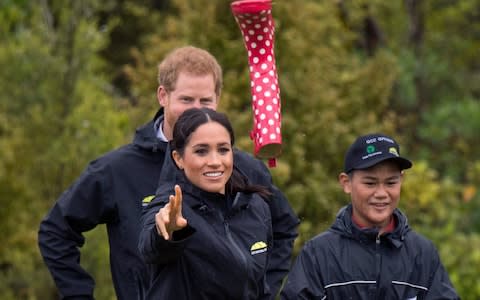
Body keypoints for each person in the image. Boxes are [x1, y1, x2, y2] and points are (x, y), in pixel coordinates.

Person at [38, 46, 299, 299]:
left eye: (205, 100)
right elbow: (56, 231)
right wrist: (78, 295)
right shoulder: (116, 170)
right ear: (163, 95)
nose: (196, 109)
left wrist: (262, 291)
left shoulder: (243, 168)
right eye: (186, 99)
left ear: (217, 100)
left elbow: (284, 227)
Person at [281, 133, 460, 299]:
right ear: (346, 183)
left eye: (391, 182)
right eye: (370, 183)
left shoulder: (422, 254)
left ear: (401, 181)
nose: (381, 193)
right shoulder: (318, 253)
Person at [139, 107, 273, 299]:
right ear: (178, 159)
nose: (215, 161)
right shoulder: (173, 205)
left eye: (223, 150)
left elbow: (259, 288)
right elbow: (149, 247)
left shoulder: (255, 207)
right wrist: (166, 233)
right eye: (201, 151)